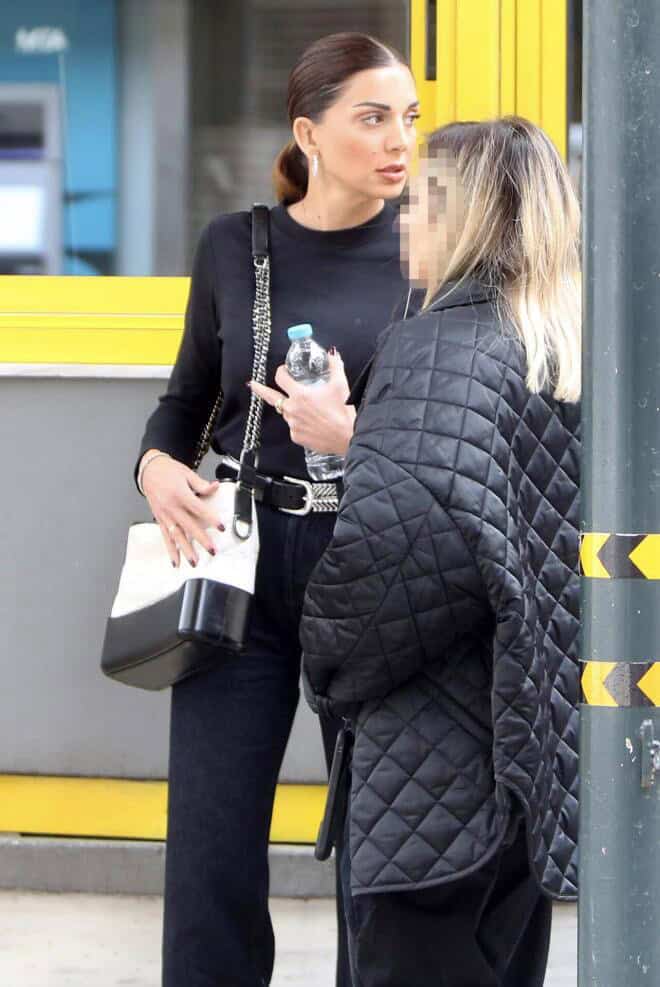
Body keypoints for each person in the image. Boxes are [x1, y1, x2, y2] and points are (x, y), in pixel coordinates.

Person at [134, 32, 420, 987]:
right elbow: (186, 401)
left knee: (379, 841)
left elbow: (451, 428)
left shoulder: (431, 252)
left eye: (409, 118)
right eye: (372, 118)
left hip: (372, 559)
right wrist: (154, 467)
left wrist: (351, 434)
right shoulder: (234, 244)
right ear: (308, 132)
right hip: (243, 553)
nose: (399, 140)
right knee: (210, 838)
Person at [300, 116, 581, 987]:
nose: (404, 220)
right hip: (526, 777)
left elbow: (391, 565)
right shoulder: (556, 348)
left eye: (421, 202)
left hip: (432, 786)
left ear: (464, 220)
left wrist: (323, 663)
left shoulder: (435, 350)